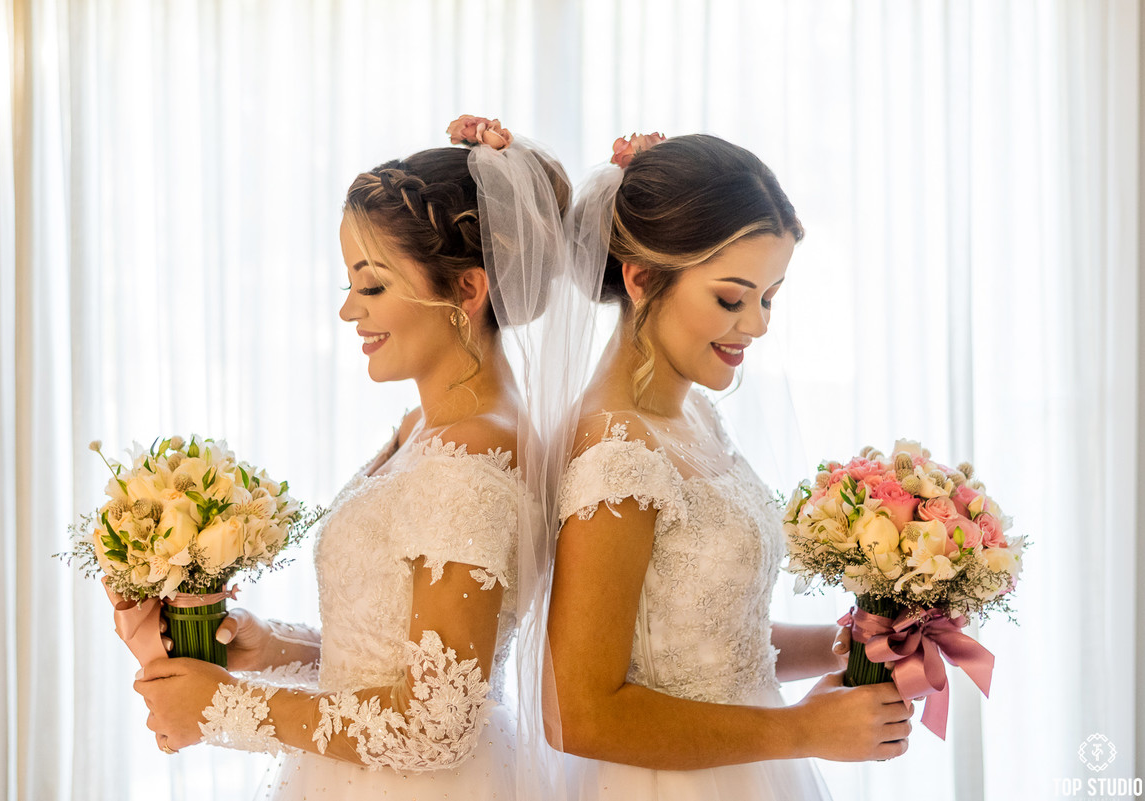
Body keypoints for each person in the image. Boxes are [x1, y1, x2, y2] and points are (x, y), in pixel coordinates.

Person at [134, 116, 571, 800]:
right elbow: (399, 659)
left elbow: (435, 724)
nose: (348, 313)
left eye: (371, 287)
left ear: (467, 290)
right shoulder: (426, 427)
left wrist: (223, 706)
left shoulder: (474, 455)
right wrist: (270, 646)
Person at [546, 133, 913, 800]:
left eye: (769, 296)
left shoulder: (693, 415)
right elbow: (579, 714)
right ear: (641, 278)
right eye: (731, 297)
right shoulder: (614, 453)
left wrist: (844, 644)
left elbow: (702, 636)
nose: (759, 324)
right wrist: (801, 730)